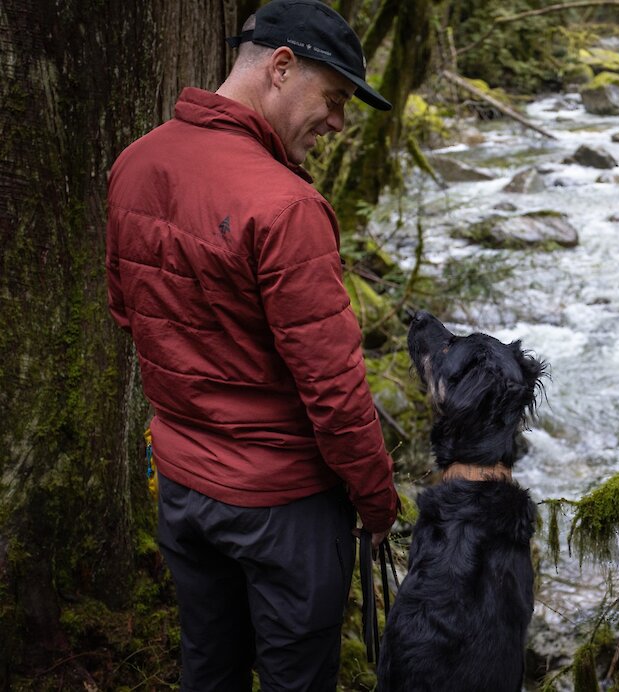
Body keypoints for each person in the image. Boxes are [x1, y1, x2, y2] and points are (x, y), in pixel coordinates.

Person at [105, 0, 399, 690]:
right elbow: (334, 391)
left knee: (207, 667)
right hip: (284, 512)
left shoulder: (135, 162)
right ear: (281, 67)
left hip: (182, 492)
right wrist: (377, 500)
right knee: (298, 678)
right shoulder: (286, 205)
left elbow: (129, 313)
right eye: (332, 100)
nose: (337, 123)